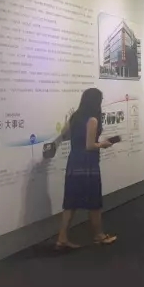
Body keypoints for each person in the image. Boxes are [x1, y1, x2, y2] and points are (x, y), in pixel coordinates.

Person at [56, 88, 117, 250]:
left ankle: (62, 238)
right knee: (94, 201)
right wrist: (103, 144)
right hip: (88, 163)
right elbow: (90, 145)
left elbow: (64, 134)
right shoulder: (92, 120)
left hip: (74, 160)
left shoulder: (75, 117)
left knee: (71, 202)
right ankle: (99, 235)